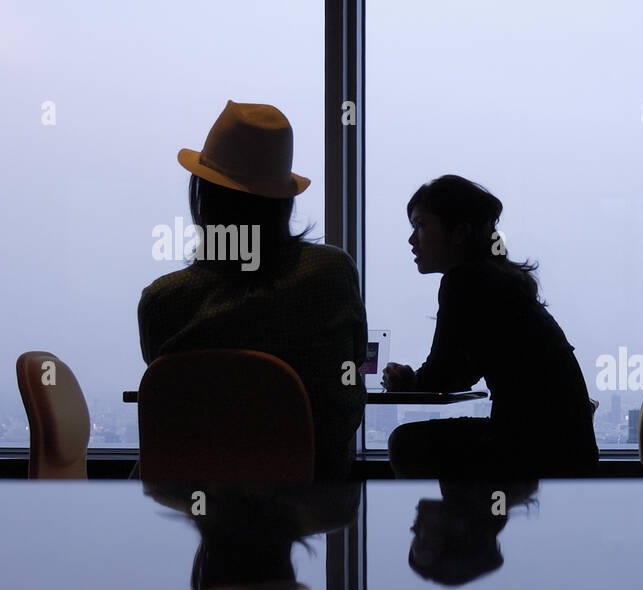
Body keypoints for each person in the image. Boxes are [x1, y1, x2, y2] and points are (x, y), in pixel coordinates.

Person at [137, 100, 367, 481]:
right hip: (315, 485)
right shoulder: (331, 273)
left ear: (202, 198)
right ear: (283, 201)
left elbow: (168, 391)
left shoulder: (162, 300)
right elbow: (354, 361)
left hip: (191, 489)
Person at [383, 175, 598, 478]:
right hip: (564, 445)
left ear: (459, 232)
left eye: (421, 225)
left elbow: (444, 377)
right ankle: (462, 525)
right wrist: (419, 379)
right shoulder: (495, 280)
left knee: (406, 443)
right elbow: (457, 373)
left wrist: (408, 382)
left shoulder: (463, 283)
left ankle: (456, 525)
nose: (412, 239)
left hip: (533, 445)